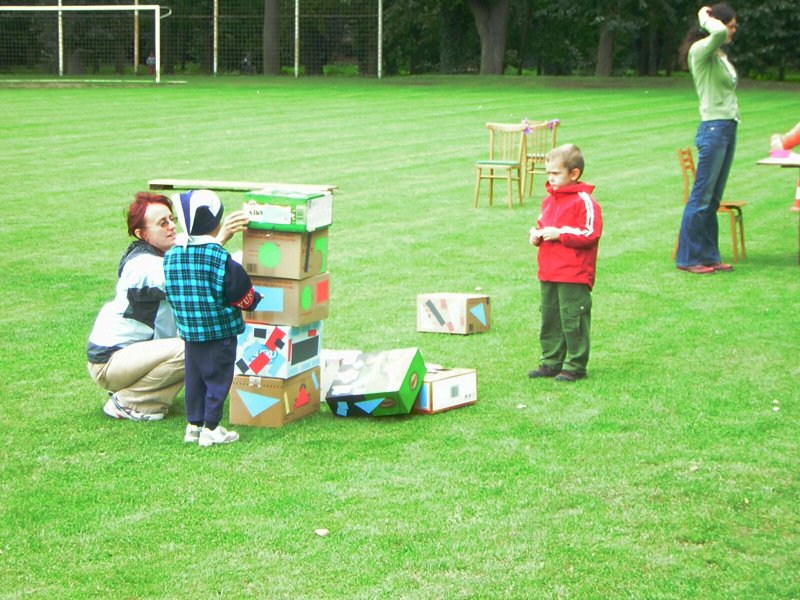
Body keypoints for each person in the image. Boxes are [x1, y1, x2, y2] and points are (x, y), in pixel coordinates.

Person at [87, 193, 251, 422]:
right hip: (110, 361)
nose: (172, 226)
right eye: (162, 223)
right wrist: (220, 237)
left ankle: (138, 393)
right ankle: (129, 401)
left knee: (200, 341)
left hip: (136, 355)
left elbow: (210, 266)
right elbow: (185, 275)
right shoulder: (138, 265)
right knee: (196, 346)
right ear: (142, 234)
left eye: (171, 219)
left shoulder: (174, 251)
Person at [163, 190, 261, 447]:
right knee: (218, 380)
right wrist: (255, 299)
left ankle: (193, 426)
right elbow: (240, 293)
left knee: (194, 379)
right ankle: (212, 428)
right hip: (220, 332)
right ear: (216, 224)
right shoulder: (219, 257)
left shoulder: (172, 255)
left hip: (190, 332)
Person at [528, 144, 602, 382]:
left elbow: (590, 233)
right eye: (548, 173)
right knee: (550, 318)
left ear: (574, 173)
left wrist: (559, 234)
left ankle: (575, 366)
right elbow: (543, 226)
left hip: (573, 272)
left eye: (556, 173)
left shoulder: (585, 201)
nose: (550, 178)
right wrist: (536, 235)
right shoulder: (549, 201)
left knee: (573, 319)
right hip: (548, 271)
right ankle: (551, 362)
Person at [675, 4, 739, 275]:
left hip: (727, 127)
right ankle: (688, 258)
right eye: (731, 25)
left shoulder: (718, 54)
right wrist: (705, 16)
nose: (733, 30)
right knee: (701, 197)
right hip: (714, 128)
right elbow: (718, 32)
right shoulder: (700, 50)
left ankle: (709, 256)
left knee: (713, 199)